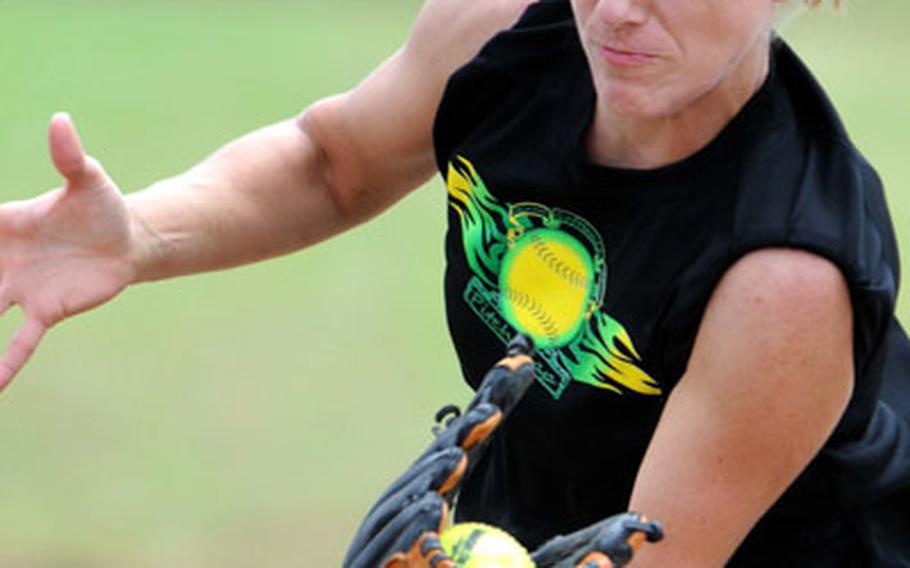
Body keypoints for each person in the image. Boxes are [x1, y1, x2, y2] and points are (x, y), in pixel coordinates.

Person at [2, 0, 908, 565]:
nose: (620, 9)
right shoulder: (504, 28)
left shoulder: (786, 275)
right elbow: (331, 165)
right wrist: (137, 237)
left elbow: (651, 550)